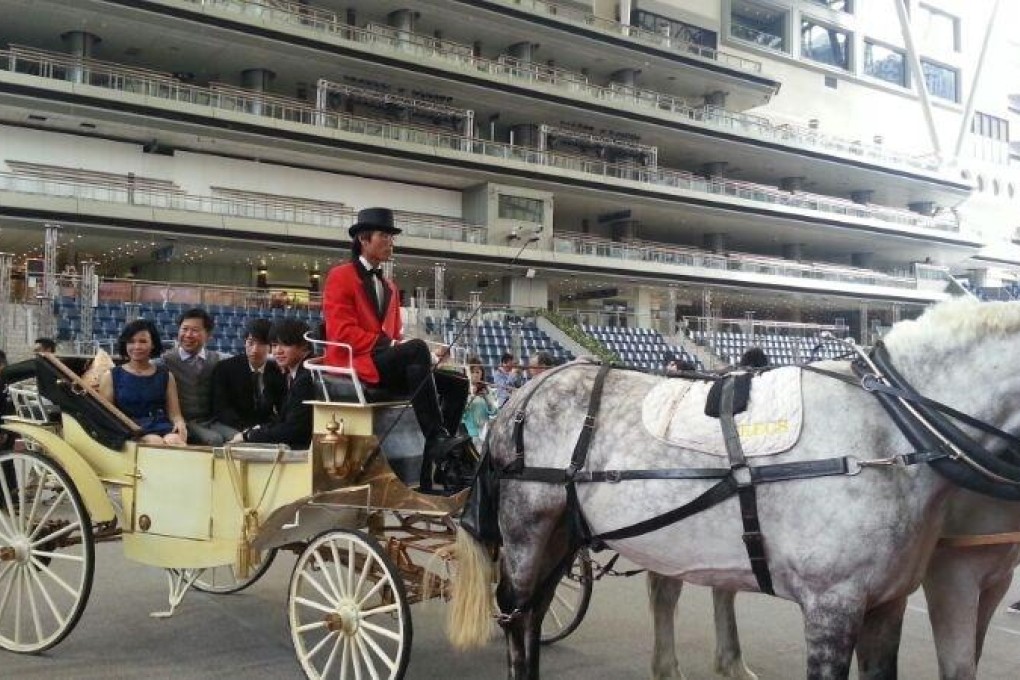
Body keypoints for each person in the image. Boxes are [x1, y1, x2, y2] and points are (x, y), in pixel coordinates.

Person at [322, 206, 468, 492]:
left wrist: (420, 353)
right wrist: (398, 346)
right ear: (364, 240)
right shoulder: (340, 276)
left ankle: (438, 464)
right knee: (415, 350)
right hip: (356, 362)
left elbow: (396, 335)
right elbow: (341, 332)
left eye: (391, 237)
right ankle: (437, 438)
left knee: (458, 384)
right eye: (384, 236)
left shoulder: (389, 285)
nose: (390, 242)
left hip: (383, 361)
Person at [99, 319, 187, 446]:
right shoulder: (111, 376)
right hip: (131, 429)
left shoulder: (166, 376)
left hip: (161, 426)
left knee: (175, 441)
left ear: (153, 344)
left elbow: (175, 414)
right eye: (131, 342)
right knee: (155, 442)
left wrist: (180, 423)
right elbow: (106, 417)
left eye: (143, 341)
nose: (137, 347)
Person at [231, 319, 314, 449]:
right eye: (274, 345)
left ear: (304, 345)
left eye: (285, 345)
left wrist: (249, 436)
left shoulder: (306, 378)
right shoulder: (297, 373)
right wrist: (257, 430)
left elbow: (295, 430)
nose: (278, 351)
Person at [161, 308, 229, 445]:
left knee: (238, 437)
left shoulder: (218, 360)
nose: (188, 335)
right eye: (184, 329)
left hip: (211, 421)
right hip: (183, 421)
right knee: (215, 440)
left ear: (208, 335)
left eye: (195, 330)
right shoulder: (165, 361)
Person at [210, 318, 285, 435]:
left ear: (271, 346)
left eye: (261, 344)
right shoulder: (225, 368)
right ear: (245, 342)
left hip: (263, 426)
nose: (255, 350)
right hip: (230, 424)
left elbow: (281, 407)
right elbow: (222, 409)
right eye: (251, 343)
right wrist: (248, 430)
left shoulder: (277, 371)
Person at [461, 356, 496, 449]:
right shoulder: (462, 390)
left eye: (478, 372)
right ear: (467, 373)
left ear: (482, 373)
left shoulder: (488, 390)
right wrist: (471, 396)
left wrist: (487, 397)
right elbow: (461, 414)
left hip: (484, 434)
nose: (475, 375)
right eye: (472, 372)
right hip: (467, 434)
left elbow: (495, 412)